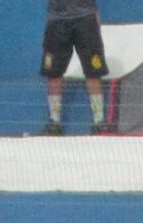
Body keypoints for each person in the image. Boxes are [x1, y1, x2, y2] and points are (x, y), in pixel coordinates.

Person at [42, 0, 113, 136]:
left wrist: (95, 18)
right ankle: (54, 123)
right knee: (53, 72)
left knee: (93, 72)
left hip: (86, 20)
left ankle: (99, 123)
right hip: (57, 21)